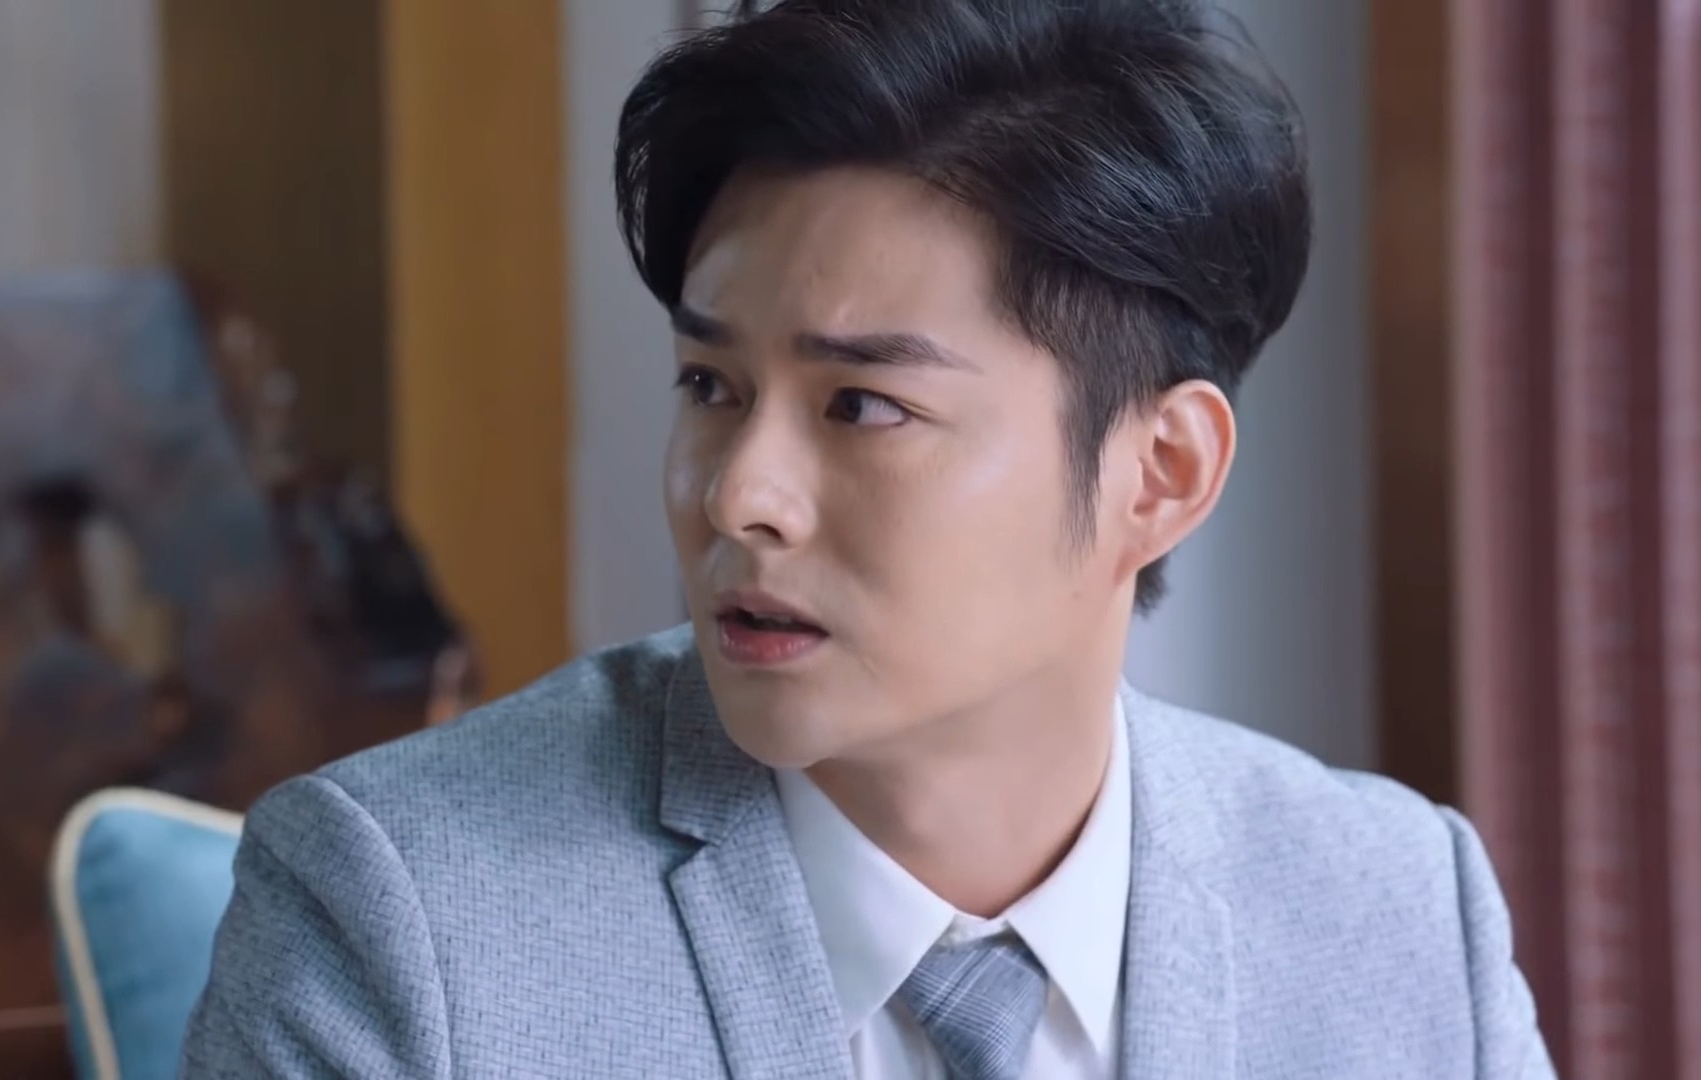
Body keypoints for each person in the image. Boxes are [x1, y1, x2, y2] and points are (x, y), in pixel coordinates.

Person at [180, 1, 1553, 1076]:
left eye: (862, 406)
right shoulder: (405, 921)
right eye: (711, 386)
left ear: (1163, 473)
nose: (739, 496)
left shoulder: (1396, 914)